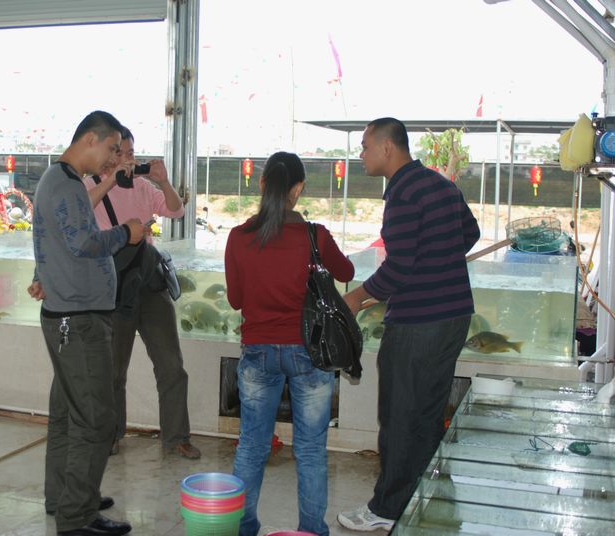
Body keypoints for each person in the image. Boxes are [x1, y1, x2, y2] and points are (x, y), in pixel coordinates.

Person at [338, 118, 480, 532]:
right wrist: (438, 261)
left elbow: (398, 267)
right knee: (427, 413)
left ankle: (387, 510)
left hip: (419, 321)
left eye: (365, 146)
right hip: (454, 316)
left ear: (387, 148)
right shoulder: (440, 185)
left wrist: (355, 298)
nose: (361, 155)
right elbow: (470, 233)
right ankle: (426, 496)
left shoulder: (402, 194)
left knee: (400, 415)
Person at [224, 151, 355, 536]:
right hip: (310, 354)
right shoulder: (316, 236)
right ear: (298, 189)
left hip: (258, 353)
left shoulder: (238, 237)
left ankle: (244, 528)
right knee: (311, 451)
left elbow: (235, 300)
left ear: (262, 184)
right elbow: (346, 271)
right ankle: (311, 530)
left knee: (251, 447)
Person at [28, 110, 146, 536]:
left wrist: (43, 274)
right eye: (112, 148)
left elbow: (52, 236)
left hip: (69, 316)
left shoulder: (62, 181)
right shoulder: (63, 183)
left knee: (68, 413)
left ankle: (65, 497)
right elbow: (82, 241)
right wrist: (127, 233)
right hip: (78, 323)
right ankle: (76, 516)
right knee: (95, 418)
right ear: (91, 139)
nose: (113, 156)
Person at [81, 126, 201, 460]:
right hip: (113, 288)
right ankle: (110, 435)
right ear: (109, 153)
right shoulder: (89, 187)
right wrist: (112, 183)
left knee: (171, 365)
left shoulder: (143, 186)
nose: (127, 159)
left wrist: (164, 181)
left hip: (149, 284)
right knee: (113, 370)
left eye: (131, 153)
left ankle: (177, 437)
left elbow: (176, 210)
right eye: (120, 152)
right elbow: (80, 218)